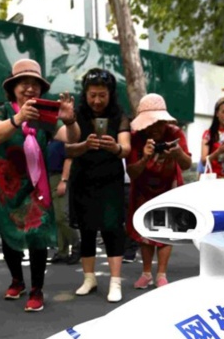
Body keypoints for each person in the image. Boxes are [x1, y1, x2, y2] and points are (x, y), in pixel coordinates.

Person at [0, 58, 80, 312]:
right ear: (13, 87)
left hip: (36, 187)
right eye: (24, 83)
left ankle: (37, 289)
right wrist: (18, 119)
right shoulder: (4, 110)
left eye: (35, 84)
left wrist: (70, 120)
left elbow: (69, 138)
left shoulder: (45, 114)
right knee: (9, 237)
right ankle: (16, 279)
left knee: (38, 236)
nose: (30, 89)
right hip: (7, 186)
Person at [64, 68, 131, 303]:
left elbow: (127, 148)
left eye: (102, 95)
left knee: (113, 230)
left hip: (110, 179)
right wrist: (84, 145)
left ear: (110, 94)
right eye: (92, 95)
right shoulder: (76, 114)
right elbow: (67, 147)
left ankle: (115, 281)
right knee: (87, 230)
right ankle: (89, 278)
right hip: (83, 178)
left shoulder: (120, 116)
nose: (97, 100)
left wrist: (115, 148)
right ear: (85, 93)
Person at [127, 93, 192, 288]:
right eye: (151, 123)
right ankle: (146, 273)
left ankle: (161, 274)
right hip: (142, 189)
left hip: (169, 187)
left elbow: (187, 164)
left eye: (159, 123)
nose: (156, 128)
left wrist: (178, 153)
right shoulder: (136, 138)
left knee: (167, 231)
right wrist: (145, 157)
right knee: (145, 231)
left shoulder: (176, 133)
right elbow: (131, 171)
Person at [46, 142, 80, 264]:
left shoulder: (63, 137)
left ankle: (77, 245)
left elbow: (69, 158)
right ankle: (62, 251)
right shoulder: (49, 137)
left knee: (62, 216)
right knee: (57, 218)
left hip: (59, 176)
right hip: (51, 177)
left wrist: (64, 180)